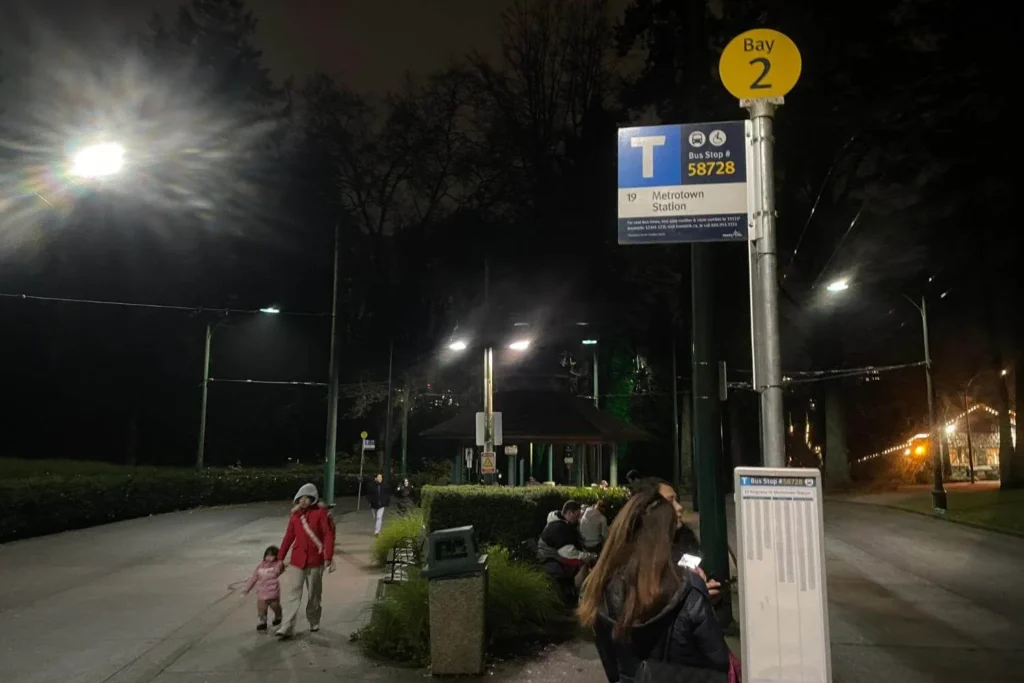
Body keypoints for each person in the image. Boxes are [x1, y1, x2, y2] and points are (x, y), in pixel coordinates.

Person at [579, 488, 731, 683]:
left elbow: (612, 667)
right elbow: (719, 661)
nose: (679, 508)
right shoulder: (690, 587)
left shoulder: (600, 587)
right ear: (664, 534)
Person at [276, 483, 335, 638]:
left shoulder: (320, 513)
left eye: (307, 498)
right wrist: (280, 558)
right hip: (297, 560)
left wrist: (328, 556)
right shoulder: (295, 516)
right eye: (301, 498)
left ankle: (314, 621)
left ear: (313, 499)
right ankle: (286, 626)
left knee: (314, 595)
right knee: (293, 595)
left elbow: (328, 534)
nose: (303, 501)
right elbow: (288, 537)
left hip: (315, 560)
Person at [537, 500, 597, 594]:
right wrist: (588, 556)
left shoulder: (560, 523)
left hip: (552, 556)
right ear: (570, 513)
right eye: (577, 515)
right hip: (551, 559)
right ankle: (575, 592)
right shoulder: (559, 528)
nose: (578, 519)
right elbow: (568, 553)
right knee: (583, 563)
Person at [243, 545, 285, 632]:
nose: (269, 557)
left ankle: (278, 616)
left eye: (272, 555)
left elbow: (280, 571)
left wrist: (280, 563)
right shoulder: (260, 566)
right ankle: (262, 622)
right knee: (261, 608)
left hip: (273, 592)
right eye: (267, 555)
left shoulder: (277, 565)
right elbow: (254, 577)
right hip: (262, 592)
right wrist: (247, 588)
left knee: (275, 606)